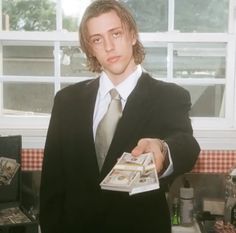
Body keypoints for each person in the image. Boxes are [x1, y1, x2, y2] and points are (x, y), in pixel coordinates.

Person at [39, 1, 200, 233]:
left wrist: (163, 149)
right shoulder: (67, 101)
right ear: (90, 48)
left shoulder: (169, 96)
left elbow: (186, 145)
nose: (109, 46)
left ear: (132, 35)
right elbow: (52, 185)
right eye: (97, 39)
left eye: (116, 33)